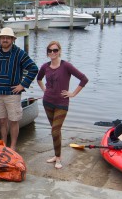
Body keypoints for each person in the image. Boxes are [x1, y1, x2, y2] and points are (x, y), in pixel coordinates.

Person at [0, 27, 39, 151]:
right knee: (2, 121)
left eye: (7, 38)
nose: (5, 40)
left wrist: (23, 85)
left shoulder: (19, 53)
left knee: (13, 121)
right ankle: (3, 143)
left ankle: (13, 146)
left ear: (12, 39)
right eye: (3, 38)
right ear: (0, 39)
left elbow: (33, 68)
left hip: (13, 94)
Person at [36, 41, 88, 169]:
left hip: (61, 103)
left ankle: (58, 158)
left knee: (54, 131)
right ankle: (56, 155)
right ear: (47, 53)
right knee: (56, 131)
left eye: (55, 50)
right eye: (50, 50)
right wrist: (44, 90)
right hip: (47, 102)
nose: (52, 52)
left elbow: (84, 79)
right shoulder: (45, 66)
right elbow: (39, 79)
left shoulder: (66, 66)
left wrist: (73, 93)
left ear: (59, 51)